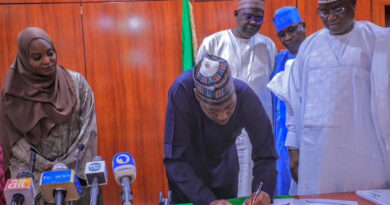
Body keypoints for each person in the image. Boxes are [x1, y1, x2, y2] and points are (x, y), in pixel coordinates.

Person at [275, 0, 390, 195]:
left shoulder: (378, 40)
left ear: (353, 5)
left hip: (365, 150)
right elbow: (294, 99)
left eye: (338, 9)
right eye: (324, 12)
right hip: (319, 151)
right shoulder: (309, 47)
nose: (331, 17)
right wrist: (293, 146)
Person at [0, 27, 99, 204]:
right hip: (34, 181)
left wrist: (63, 167)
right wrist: (45, 168)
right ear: (24, 59)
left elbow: (88, 132)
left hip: (75, 177)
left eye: (50, 53)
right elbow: (13, 143)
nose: (47, 61)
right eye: (37, 58)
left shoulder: (76, 84)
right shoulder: (12, 94)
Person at [163, 54, 277, 205]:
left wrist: (263, 191)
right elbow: (175, 158)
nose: (223, 116)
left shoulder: (246, 97)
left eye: (229, 107)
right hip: (187, 178)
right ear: (197, 96)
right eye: (213, 111)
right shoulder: (181, 92)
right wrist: (207, 200)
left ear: (234, 88)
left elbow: (265, 153)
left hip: (224, 171)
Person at [196, 0, 276, 196]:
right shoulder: (213, 43)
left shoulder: (268, 46)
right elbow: (200, 84)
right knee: (225, 184)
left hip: (257, 131)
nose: (253, 22)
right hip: (222, 129)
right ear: (236, 14)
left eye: (259, 18)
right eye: (248, 16)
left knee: (255, 184)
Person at [267, 6, 306, 195]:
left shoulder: (316, 55)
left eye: (292, 30)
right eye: (282, 35)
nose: (288, 38)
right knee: (284, 185)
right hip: (282, 138)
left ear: (303, 27)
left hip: (310, 136)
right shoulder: (278, 60)